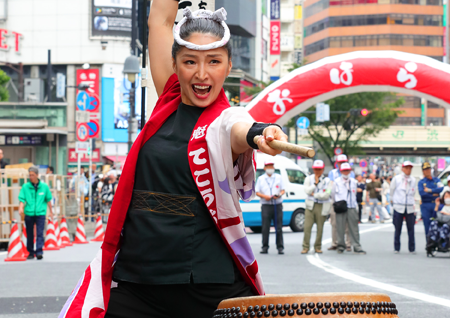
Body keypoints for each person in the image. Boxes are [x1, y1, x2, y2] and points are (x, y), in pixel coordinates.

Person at [60, 3, 288, 317]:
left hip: (203, 283)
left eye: (214, 61)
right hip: (136, 280)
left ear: (229, 65)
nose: (202, 73)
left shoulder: (225, 119)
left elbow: (240, 128)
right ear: (175, 64)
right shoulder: (168, 98)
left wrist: (262, 133)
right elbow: (160, 20)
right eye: (190, 61)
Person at [18, 166, 53, 260]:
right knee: (29, 233)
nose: (31, 177)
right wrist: (21, 208)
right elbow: (22, 198)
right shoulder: (25, 187)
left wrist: (51, 212)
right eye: (29, 175)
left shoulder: (44, 187)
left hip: (40, 213)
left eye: (33, 175)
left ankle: (39, 251)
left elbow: (49, 199)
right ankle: (30, 252)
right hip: (29, 213)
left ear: (37, 175)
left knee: (40, 233)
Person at [332, 163, 366, 255]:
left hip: (351, 206)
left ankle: (356, 246)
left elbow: (354, 194)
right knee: (340, 227)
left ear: (350, 171)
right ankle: (340, 246)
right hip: (341, 206)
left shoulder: (354, 182)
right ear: (341, 171)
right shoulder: (337, 182)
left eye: (347, 170)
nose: (346, 172)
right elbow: (333, 194)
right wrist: (338, 203)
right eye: (344, 170)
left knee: (354, 227)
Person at [301, 160, 332, 254]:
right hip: (310, 205)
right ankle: (305, 246)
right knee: (307, 227)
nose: (317, 171)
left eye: (319, 169)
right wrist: (315, 184)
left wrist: (314, 195)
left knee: (320, 227)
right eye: (315, 169)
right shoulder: (309, 179)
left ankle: (318, 246)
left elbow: (327, 194)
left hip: (322, 205)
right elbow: (307, 191)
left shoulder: (328, 181)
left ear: (323, 169)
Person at [256, 161, 285, 254]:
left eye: (272, 166)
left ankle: (280, 247)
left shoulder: (278, 177)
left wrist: (279, 195)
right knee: (265, 227)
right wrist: (265, 197)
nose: (270, 168)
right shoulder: (261, 179)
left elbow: (283, 190)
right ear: (264, 168)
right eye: (268, 166)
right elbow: (257, 192)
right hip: (266, 205)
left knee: (279, 227)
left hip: (277, 204)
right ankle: (265, 247)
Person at [390, 161, 417, 254]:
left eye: (410, 168)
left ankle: (412, 248)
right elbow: (392, 190)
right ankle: (396, 247)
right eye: (406, 168)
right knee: (398, 228)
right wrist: (393, 201)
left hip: (409, 206)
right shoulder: (396, 179)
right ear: (402, 169)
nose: (408, 170)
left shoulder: (413, 180)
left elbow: (413, 192)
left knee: (411, 228)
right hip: (398, 206)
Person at [426, 191, 450, 256]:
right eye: (446, 196)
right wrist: (437, 205)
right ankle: (432, 241)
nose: (447, 198)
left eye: (449, 196)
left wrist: (448, 214)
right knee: (433, 223)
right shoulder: (441, 206)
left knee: (445, 226)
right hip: (440, 223)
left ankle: (443, 243)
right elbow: (434, 216)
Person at [327, 154, 352, 251]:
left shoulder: (350, 172)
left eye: (343, 162)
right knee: (334, 223)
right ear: (337, 163)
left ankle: (348, 243)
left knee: (347, 223)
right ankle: (335, 243)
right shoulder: (332, 173)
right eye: (340, 162)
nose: (342, 164)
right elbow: (331, 187)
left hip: (347, 201)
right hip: (336, 201)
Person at [418, 162, 443, 238]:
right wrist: (434, 193)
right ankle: (429, 243)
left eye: (428, 169)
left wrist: (429, 190)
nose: (427, 171)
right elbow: (422, 193)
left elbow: (441, 188)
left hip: (436, 204)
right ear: (423, 171)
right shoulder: (421, 182)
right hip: (426, 205)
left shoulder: (436, 180)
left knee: (438, 223)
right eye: (425, 169)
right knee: (427, 225)